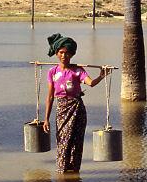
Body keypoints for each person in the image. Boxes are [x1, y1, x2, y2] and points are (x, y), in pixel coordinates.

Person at [43, 32, 108, 174]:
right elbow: (50, 97)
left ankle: (74, 171)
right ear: (56, 53)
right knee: (63, 140)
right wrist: (46, 119)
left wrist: (102, 76)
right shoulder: (52, 72)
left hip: (77, 108)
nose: (63, 56)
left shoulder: (77, 71)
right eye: (61, 52)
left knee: (77, 142)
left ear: (71, 54)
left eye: (67, 53)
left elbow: (90, 83)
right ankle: (62, 171)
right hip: (61, 109)